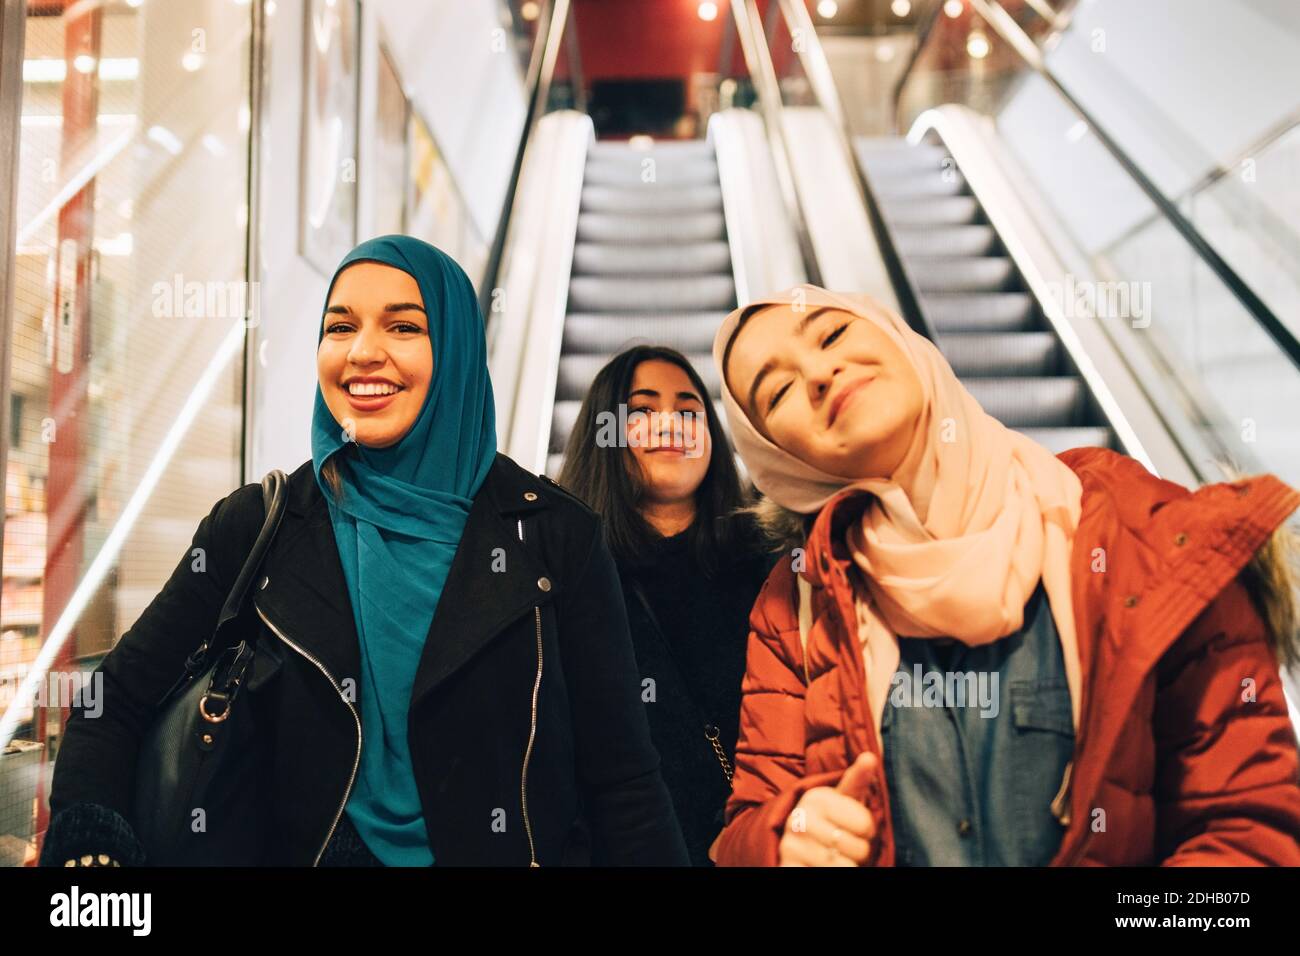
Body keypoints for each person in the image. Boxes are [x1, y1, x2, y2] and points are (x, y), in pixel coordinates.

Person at [40, 235, 688, 867]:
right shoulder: (259, 527)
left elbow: (623, 780)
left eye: (403, 328)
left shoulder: (555, 538)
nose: (363, 353)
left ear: (457, 348)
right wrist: (90, 840)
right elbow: (115, 701)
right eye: (340, 327)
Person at [711, 284, 1300, 866]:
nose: (819, 373)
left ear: (900, 340)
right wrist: (787, 834)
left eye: (833, 333)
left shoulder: (1146, 536)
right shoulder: (796, 605)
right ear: (776, 460)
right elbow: (745, 829)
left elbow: (1248, 831)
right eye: (778, 390)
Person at [558, 346, 775, 866]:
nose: (670, 424)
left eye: (688, 410)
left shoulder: (768, 562)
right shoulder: (568, 580)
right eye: (642, 411)